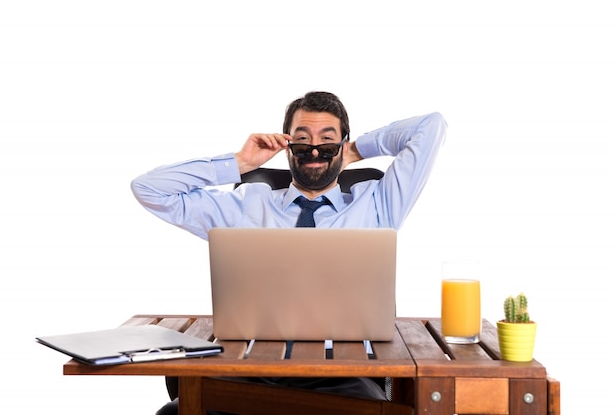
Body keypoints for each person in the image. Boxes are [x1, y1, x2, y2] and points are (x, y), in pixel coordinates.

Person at [131, 91, 447, 414]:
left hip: (342, 375)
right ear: (286, 147)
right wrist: (239, 163)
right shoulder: (248, 205)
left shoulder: (378, 204)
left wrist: (356, 150)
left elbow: (431, 127)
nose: (314, 150)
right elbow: (149, 189)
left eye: (327, 140)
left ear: (342, 144)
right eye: (302, 139)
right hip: (253, 370)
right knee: (172, 413)